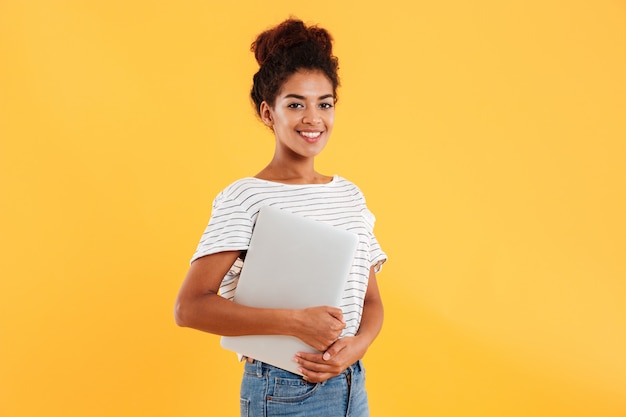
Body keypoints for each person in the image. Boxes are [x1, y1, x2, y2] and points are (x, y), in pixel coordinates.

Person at [174, 17, 387, 417]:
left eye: (324, 103)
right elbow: (189, 308)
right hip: (284, 388)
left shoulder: (349, 195)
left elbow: (371, 301)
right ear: (268, 113)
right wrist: (294, 322)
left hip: (351, 383)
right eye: (295, 104)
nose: (313, 118)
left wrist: (356, 347)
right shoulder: (245, 197)